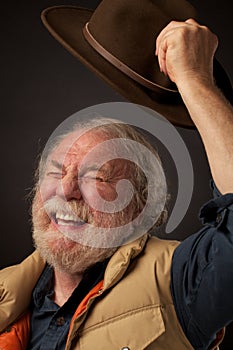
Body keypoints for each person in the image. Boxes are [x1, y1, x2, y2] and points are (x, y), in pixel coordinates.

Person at [0, 17, 233, 350]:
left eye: (97, 176)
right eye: (54, 172)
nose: (66, 191)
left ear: (140, 205)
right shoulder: (5, 291)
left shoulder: (178, 282)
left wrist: (196, 81)